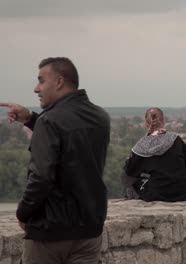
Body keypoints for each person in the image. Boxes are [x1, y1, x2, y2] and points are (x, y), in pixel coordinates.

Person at [0, 57, 110, 264]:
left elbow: (41, 177)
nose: (36, 88)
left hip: (50, 232)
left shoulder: (49, 121)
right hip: (89, 229)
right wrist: (31, 118)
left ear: (59, 82)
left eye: (41, 80)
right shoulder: (100, 117)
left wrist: (23, 213)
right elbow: (72, 144)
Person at [121, 107, 186, 202]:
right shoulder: (176, 139)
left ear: (146, 124)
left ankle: (133, 196)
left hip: (158, 193)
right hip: (183, 192)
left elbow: (129, 172)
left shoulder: (143, 146)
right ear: (163, 121)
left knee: (127, 178)